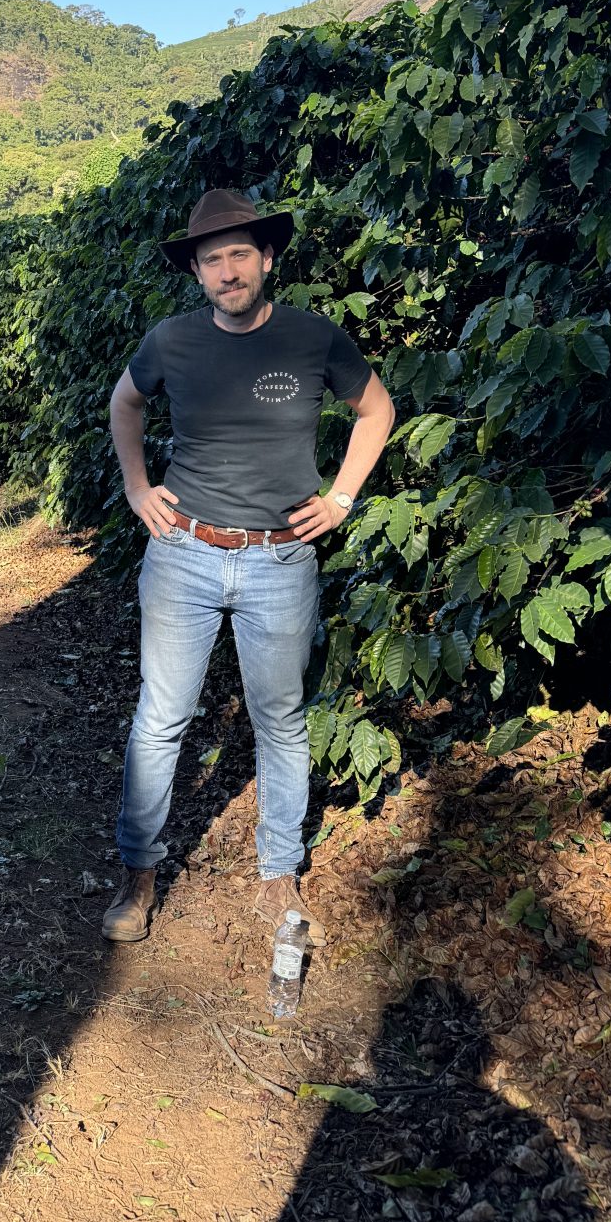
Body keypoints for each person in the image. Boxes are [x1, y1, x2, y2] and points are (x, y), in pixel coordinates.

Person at [103, 188, 395, 946]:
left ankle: (278, 874)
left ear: (266, 260)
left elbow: (377, 411)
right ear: (197, 273)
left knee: (280, 721)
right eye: (211, 260)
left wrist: (342, 499)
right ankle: (139, 874)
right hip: (183, 554)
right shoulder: (172, 341)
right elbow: (125, 404)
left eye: (239, 254)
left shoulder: (313, 339)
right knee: (161, 717)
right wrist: (139, 489)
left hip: (281, 560)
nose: (227, 271)